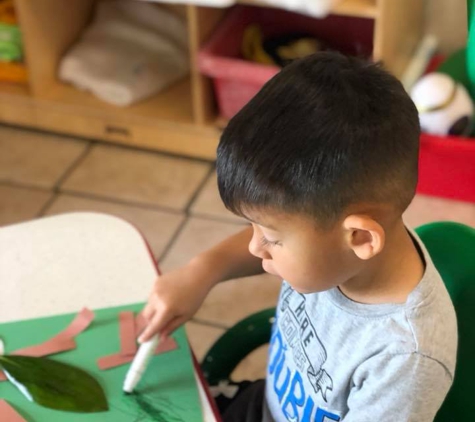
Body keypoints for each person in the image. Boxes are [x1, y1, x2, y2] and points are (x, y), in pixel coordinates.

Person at [138, 52, 458, 421]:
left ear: (360, 238)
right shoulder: (335, 256)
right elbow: (267, 241)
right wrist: (201, 271)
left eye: (271, 237)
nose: (256, 245)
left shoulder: (404, 360)